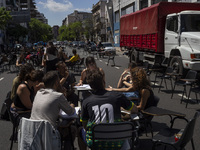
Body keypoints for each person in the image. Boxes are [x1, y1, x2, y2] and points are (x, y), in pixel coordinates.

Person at [78, 69, 138, 150]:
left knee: (80, 131)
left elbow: (84, 126)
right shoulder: (118, 96)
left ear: (91, 86)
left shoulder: (86, 101)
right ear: (103, 82)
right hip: (117, 142)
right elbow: (134, 109)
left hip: (96, 143)